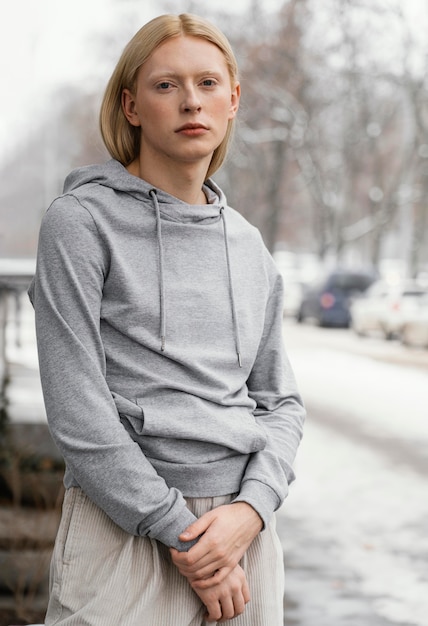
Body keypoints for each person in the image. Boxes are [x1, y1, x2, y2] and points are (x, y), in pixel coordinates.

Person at [29, 12, 305, 626]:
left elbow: (281, 403)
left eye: (208, 84)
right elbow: (79, 412)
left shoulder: (249, 245)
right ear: (130, 106)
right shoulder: (80, 224)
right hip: (122, 533)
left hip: (242, 541)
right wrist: (184, 536)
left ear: (233, 101)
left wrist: (250, 512)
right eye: (165, 85)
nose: (190, 102)